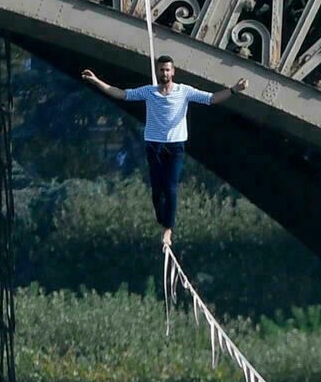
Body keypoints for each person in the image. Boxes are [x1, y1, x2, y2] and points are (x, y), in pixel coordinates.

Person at [79, 57, 248, 243]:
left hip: (175, 146)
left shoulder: (184, 91)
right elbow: (120, 94)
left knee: (170, 187)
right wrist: (96, 81)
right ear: (157, 72)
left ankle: (168, 229)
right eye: (161, 70)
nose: (164, 74)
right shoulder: (149, 92)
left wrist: (234, 90)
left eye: (167, 70)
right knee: (157, 190)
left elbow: (213, 98)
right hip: (154, 145)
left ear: (173, 72)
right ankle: (162, 220)